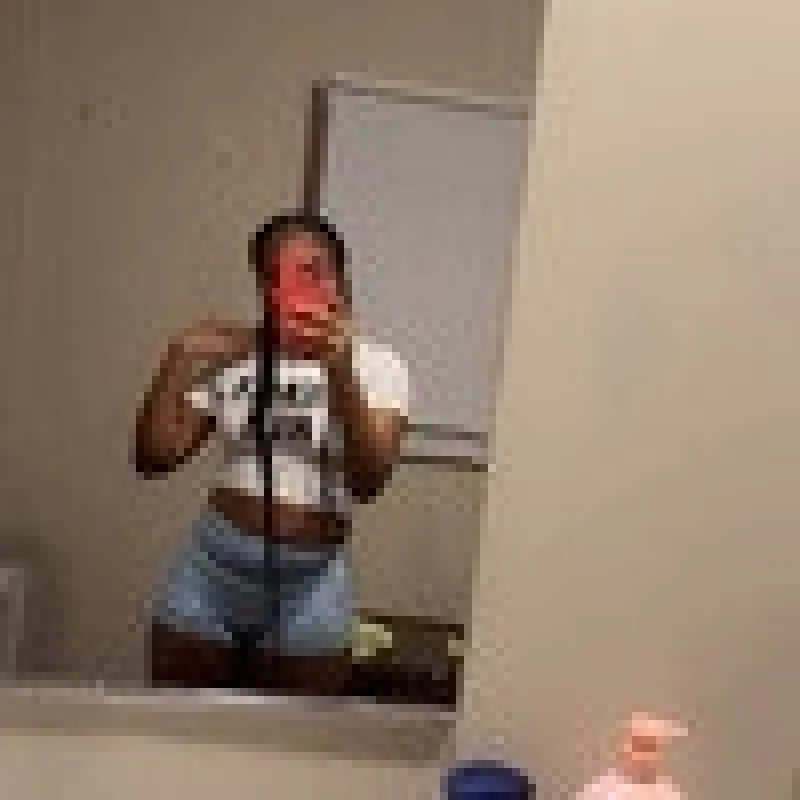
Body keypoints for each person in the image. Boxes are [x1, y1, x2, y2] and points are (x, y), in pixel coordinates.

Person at [134, 212, 410, 694]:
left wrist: (339, 370)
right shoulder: (234, 358)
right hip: (210, 574)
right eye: (277, 274)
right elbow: (154, 457)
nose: (298, 286)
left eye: (314, 270)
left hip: (311, 586)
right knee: (182, 726)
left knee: (297, 736)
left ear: (340, 280)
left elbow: (369, 481)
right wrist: (178, 357)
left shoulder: (378, 365)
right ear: (265, 286)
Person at [575, 713, 687, 800]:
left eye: (652, 748)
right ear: (624, 747)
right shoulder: (598, 791)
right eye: (640, 746)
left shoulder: (670, 793)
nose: (645, 756)